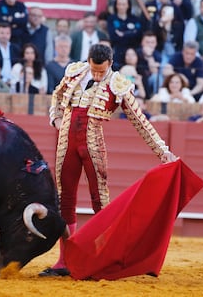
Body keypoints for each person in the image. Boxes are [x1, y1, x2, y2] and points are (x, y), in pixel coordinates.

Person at [39, 43, 177, 277]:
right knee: (65, 199)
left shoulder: (118, 84)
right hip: (67, 143)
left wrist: (162, 150)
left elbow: (140, 120)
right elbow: (57, 93)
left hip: (92, 144)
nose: (96, 75)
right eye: (93, 69)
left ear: (110, 64)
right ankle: (64, 261)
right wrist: (56, 118)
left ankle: (103, 258)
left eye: (101, 72)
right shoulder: (75, 71)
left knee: (100, 201)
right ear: (88, 61)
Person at [107, 0, 143, 70]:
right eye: (119, 4)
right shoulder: (111, 19)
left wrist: (123, 34)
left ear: (128, 5)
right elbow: (113, 37)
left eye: (124, 4)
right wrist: (131, 33)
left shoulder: (135, 19)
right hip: (118, 52)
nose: (121, 7)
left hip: (133, 51)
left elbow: (138, 35)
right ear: (116, 5)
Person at [136, 30, 163, 99]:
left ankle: (155, 98)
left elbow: (154, 72)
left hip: (150, 81)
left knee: (157, 77)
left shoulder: (157, 55)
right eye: (147, 42)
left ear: (156, 43)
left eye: (152, 42)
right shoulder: (136, 53)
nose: (150, 45)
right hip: (137, 81)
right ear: (142, 42)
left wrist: (149, 57)